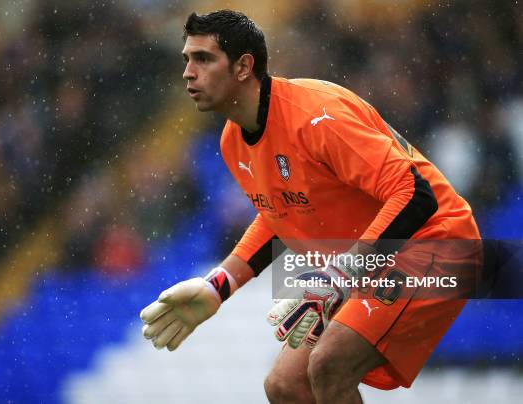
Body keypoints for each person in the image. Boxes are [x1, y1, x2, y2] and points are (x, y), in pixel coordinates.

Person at [140, 10, 481, 404]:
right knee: (285, 386)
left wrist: (341, 273)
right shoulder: (232, 141)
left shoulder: (317, 117)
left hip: (437, 242)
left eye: (203, 59)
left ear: (244, 66)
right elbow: (279, 214)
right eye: (186, 59)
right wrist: (220, 286)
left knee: (329, 365)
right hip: (374, 257)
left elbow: (417, 196)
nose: (188, 72)